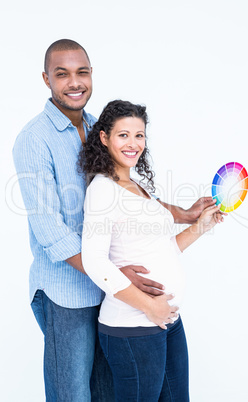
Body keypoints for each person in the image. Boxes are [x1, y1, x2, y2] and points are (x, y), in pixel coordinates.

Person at [12, 39, 219, 401]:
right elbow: (51, 232)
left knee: (107, 393)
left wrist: (184, 216)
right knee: (72, 394)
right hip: (67, 293)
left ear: (92, 75)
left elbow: (128, 197)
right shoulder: (34, 140)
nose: (74, 82)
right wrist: (113, 272)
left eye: (82, 72)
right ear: (46, 79)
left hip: (111, 293)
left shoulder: (98, 126)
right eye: (62, 74)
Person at [79, 100, 223, 402]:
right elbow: (94, 260)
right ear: (104, 138)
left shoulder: (138, 184)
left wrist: (201, 226)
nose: (133, 143)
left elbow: (161, 250)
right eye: (123, 135)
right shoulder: (102, 190)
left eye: (139, 135)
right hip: (133, 326)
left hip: (167, 320)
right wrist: (148, 305)